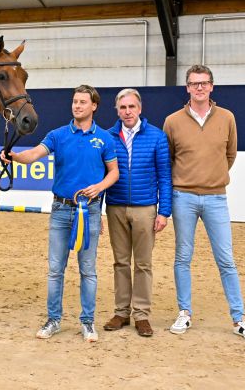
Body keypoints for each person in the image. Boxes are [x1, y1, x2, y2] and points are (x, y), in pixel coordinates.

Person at [1, 85, 118, 342]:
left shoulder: (105, 139)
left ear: (94, 106)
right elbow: (33, 156)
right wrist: (14, 156)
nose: (77, 106)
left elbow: (114, 172)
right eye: (75, 101)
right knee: (56, 269)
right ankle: (53, 320)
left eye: (83, 102)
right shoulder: (58, 135)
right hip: (61, 210)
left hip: (90, 211)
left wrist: (99, 187)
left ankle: (87, 322)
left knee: (88, 269)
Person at [163, 64, 245, 342]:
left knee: (226, 260)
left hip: (217, 198)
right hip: (183, 197)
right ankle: (184, 312)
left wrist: (213, 178)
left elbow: (230, 155)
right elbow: (169, 159)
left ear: (212, 86)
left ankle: (239, 318)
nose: (199, 88)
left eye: (204, 83)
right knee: (183, 257)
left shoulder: (227, 117)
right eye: (194, 83)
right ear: (187, 88)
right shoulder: (172, 121)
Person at [102, 88, 172, 337]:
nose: (127, 112)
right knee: (120, 262)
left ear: (140, 109)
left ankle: (141, 314)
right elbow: (102, 176)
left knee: (143, 263)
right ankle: (121, 312)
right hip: (115, 207)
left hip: (145, 209)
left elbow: (165, 176)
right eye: (123, 107)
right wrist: (99, 211)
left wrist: (164, 212)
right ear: (117, 110)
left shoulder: (157, 137)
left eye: (131, 107)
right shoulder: (108, 137)